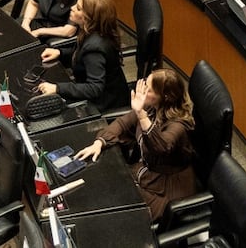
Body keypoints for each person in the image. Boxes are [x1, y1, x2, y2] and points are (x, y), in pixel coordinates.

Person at [74, 69, 197, 221]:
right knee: (105, 185)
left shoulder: (179, 125)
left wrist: (141, 115)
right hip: (148, 173)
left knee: (116, 209)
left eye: (149, 90)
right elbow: (122, 123)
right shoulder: (153, 107)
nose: (144, 91)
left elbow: (160, 147)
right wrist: (99, 142)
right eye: (145, 85)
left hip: (166, 190)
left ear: (165, 96)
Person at [38, 0, 130, 112]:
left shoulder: (95, 48)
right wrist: (60, 53)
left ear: (88, 17)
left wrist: (58, 88)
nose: (72, 8)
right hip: (107, 93)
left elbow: (94, 88)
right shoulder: (94, 31)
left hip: (104, 104)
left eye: (78, 8)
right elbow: (82, 55)